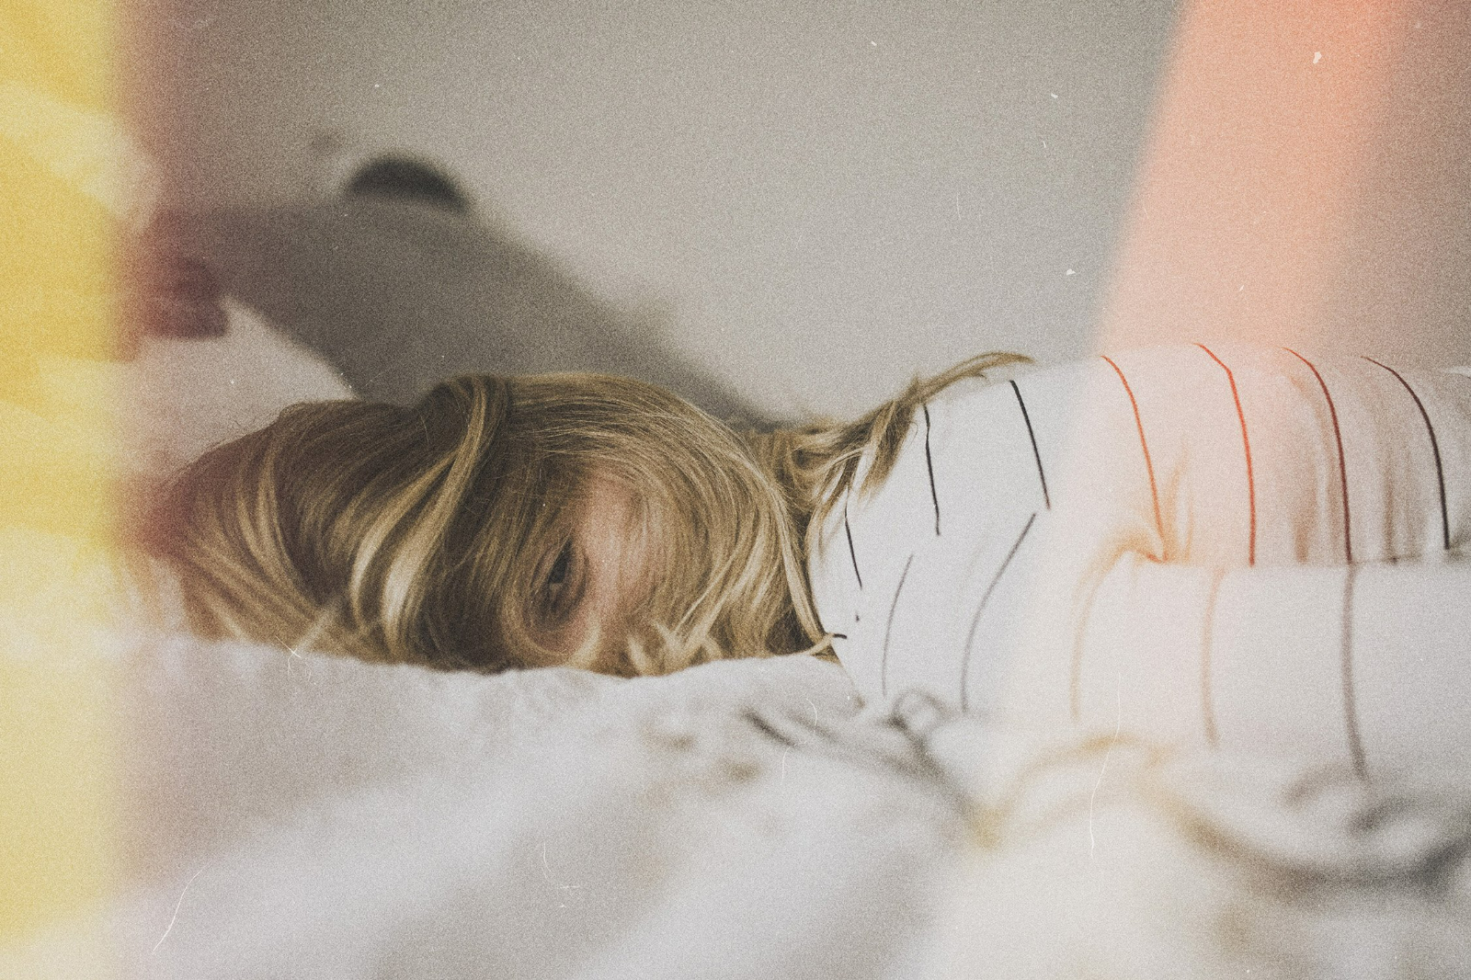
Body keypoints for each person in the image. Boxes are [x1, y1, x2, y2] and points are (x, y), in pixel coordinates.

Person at [153, 344, 1471, 763]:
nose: (623, 666)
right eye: (546, 676)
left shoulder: (915, 576)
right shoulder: (907, 562)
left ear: (595, 426)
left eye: (559, 581)